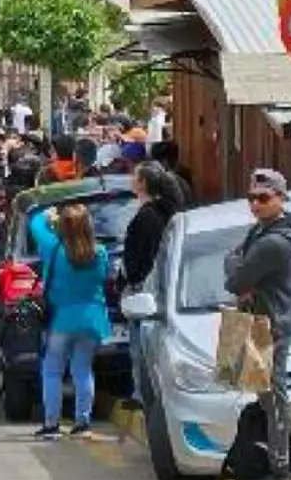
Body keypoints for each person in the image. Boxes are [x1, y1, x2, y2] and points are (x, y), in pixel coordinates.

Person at [224, 168, 291, 480]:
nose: (255, 204)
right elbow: (233, 259)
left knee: (273, 395)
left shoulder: (273, 241)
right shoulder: (262, 231)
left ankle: (281, 470)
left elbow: (235, 279)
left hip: (271, 325)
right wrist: (240, 270)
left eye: (263, 198)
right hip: (262, 321)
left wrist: (243, 277)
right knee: (265, 392)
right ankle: (277, 462)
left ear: (280, 198)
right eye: (251, 198)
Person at [30, 204, 111, 440]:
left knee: (52, 370)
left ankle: (51, 424)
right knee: (83, 370)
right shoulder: (100, 252)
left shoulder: (54, 248)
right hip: (92, 318)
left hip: (61, 318)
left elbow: (35, 224)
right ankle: (82, 423)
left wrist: (48, 215)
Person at [120, 161, 183, 409]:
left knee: (140, 345)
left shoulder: (147, 216)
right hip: (159, 284)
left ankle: (141, 393)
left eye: (135, 176)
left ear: (143, 183)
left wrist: (132, 279)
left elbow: (139, 253)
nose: (131, 180)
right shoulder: (165, 213)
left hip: (143, 286)